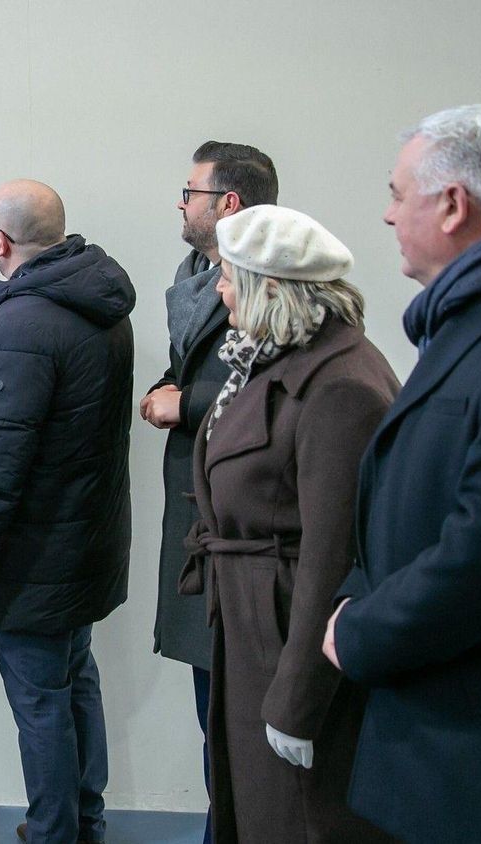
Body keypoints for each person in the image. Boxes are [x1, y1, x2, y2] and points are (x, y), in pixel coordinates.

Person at [322, 104, 481, 841]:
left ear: (453, 204)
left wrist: (363, 630)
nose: (388, 216)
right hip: (446, 721)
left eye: (397, 194)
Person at [183, 205, 396, 843]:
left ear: (271, 289)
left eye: (227, 277)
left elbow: (337, 559)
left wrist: (298, 699)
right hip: (255, 629)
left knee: (296, 818)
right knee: (257, 809)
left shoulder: (340, 388)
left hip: (286, 640)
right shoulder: (276, 359)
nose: (218, 290)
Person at [0, 180, 134, 844]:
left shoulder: (23, 326)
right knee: (77, 681)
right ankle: (87, 821)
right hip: (88, 542)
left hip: (34, 558)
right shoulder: (101, 304)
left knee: (42, 705)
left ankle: (54, 832)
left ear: (0, 241)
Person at [139, 142, 277, 844]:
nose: (181, 202)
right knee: (213, 710)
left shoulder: (270, 280)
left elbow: (270, 387)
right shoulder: (195, 275)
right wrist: (170, 389)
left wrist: (184, 405)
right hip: (201, 513)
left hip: (241, 528)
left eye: (190, 191)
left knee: (239, 721)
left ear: (228, 203)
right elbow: (200, 361)